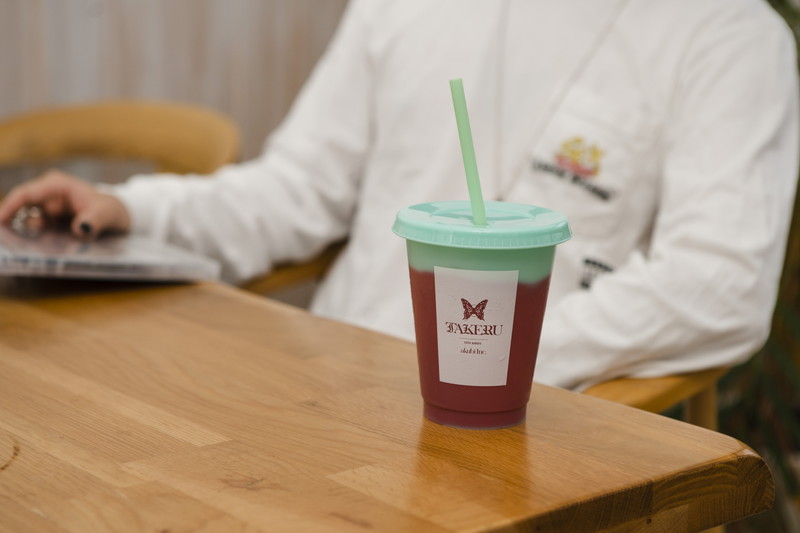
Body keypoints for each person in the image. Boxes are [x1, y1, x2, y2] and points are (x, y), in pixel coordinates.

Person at [1, 0, 798, 391]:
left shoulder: (727, 34)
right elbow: (299, 186)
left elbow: (718, 281)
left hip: (524, 429)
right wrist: (139, 210)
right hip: (323, 394)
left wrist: (477, 362)